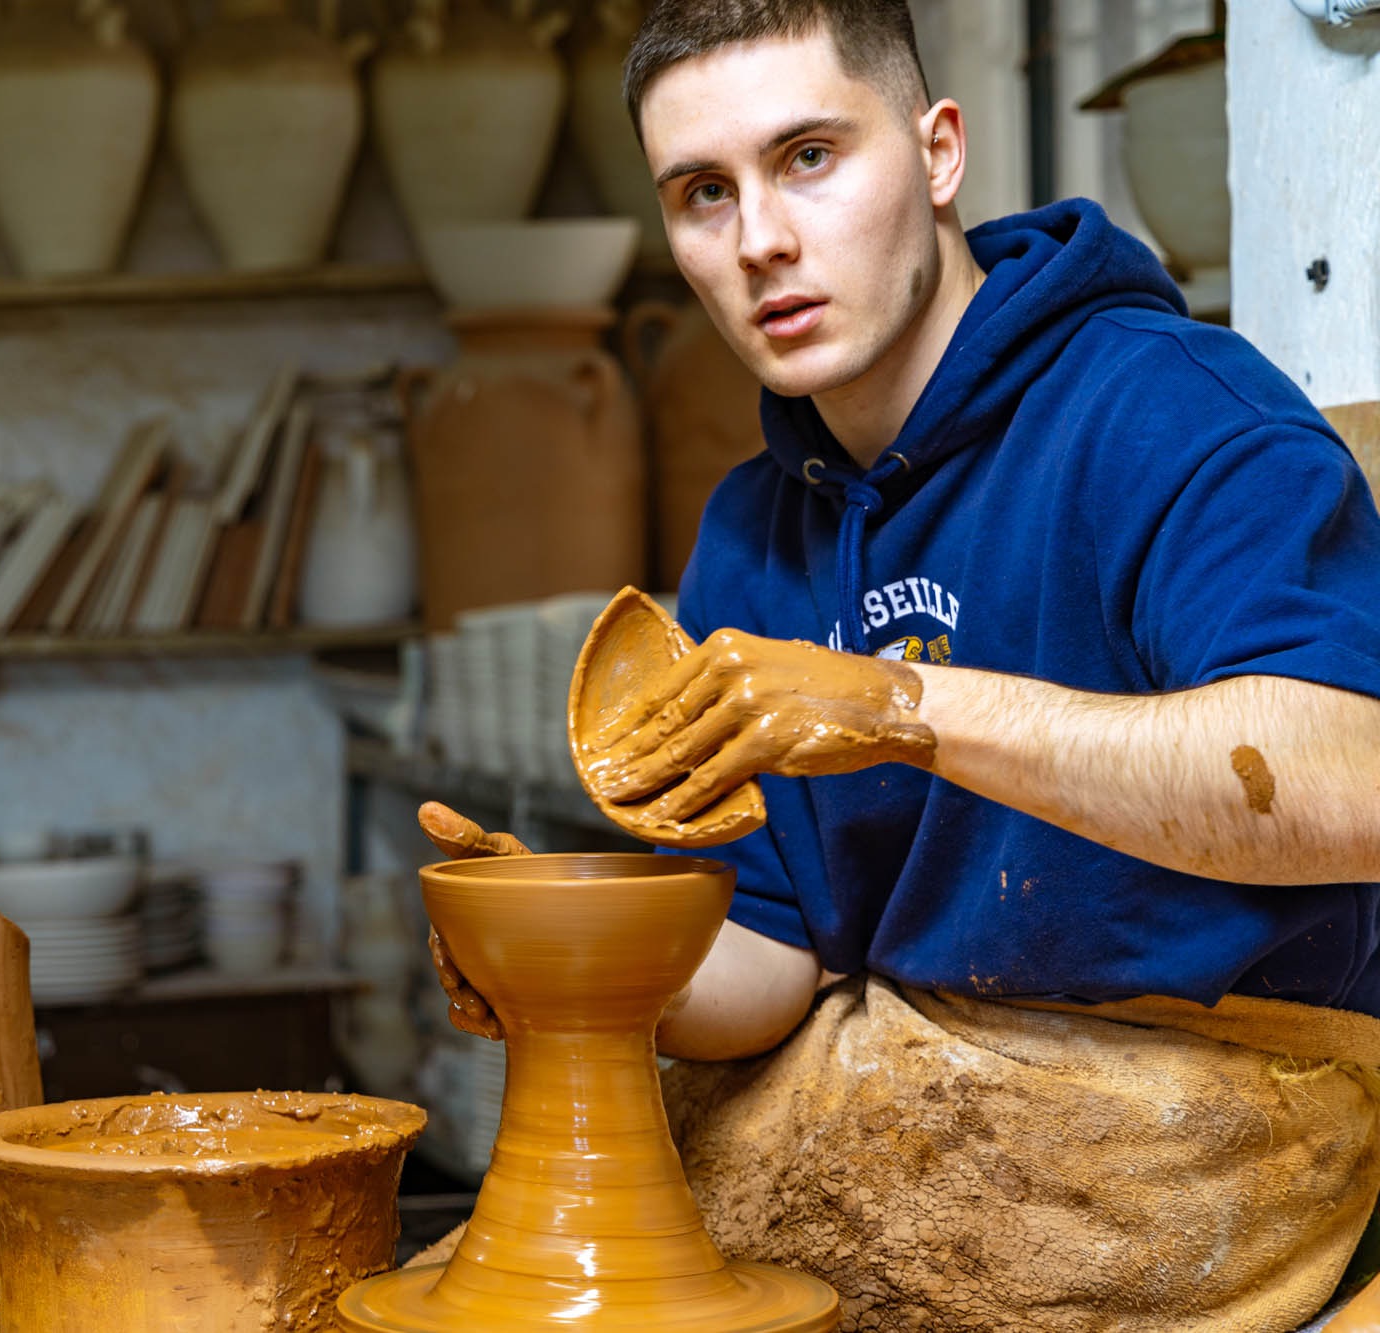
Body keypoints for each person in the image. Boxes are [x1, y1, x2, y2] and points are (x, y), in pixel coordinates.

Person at [414, 2, 1380, 1329]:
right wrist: (589, 965)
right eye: (703, 194)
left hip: (1193, 1134)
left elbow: (1350, 786)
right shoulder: (754, 534)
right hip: (906, 1112)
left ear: (937, 153)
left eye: (808, 156)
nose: (758, 241)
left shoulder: (1169, 409)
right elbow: (769, 953)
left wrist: (901, 705)